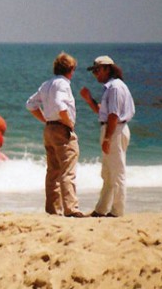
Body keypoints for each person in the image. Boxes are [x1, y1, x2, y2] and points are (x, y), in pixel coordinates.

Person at [26, 52, 85, 218]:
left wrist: (45, 120)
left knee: (53, 171)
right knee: (68, 169)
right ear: (71, 69)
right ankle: (71, 208)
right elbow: (61, 105)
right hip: (61, 128)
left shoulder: (46, 84)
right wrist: (69, 123)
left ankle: (53, 209)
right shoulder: (63, 84)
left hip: (49, 128)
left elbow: (30, 104)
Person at [80, 56, 135, 218]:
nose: (95, 74)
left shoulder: (115, 88)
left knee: (117, 173)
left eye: (97, 70)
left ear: (107, 69)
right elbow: (104, 113)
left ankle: (117, 211)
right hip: (113, 129)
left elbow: (113, 115)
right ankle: (102, 209)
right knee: (108, 173)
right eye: (94, 71)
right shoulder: (111, 87)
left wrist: (107, 138)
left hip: (115, 130)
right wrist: (89, 100)